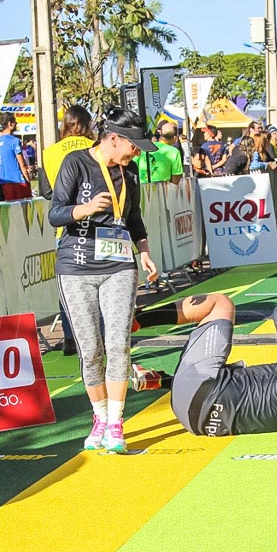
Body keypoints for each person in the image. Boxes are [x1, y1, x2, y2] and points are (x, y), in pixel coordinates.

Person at [48, 107, 159, 452]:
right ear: (114, 138)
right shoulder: (76, 163)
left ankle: (116, 423)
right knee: (91, 350)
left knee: (117, 344)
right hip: (77, 267)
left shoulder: (131, 172)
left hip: (120, 265)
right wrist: (83, 209)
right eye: (134, 145)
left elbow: (135, 217)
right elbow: (55, 213)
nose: (137, 152)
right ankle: (99, 416)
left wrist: (143, 251)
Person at [129, 294, 277, 436]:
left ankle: (136, 320)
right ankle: (158, 380)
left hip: (200, 388)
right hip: (194, 422)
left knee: (220, 304)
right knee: (238, 376)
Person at [38, 105, 96, 356]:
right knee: (97, 282)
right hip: (95, 223)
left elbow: (47, 191)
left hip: (64, 226)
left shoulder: (49, 152)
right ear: (86, 123)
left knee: (67, 286)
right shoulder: (95, 147)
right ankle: (97, 335)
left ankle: (71, 336)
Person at [0, 112, 32, 200]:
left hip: (4, 180)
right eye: (15, 122)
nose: (16, 124)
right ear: (10, 124)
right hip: (17, 180)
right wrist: (28, 181)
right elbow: (22, 165)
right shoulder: (14, 141)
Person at [135, 119, 184, 186]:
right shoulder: (174, 152)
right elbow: (176, 180)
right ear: (175, 138)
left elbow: (134, 166)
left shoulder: (145, 147)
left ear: (160, 134)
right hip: (162, 191)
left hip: (142, 190)